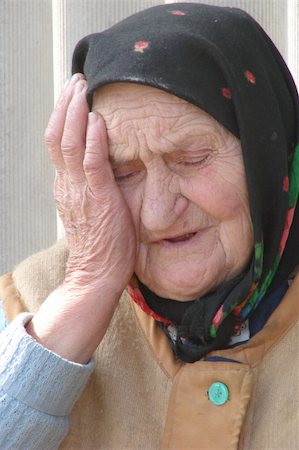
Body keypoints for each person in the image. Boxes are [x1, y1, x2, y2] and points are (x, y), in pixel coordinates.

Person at [0, 2, 298, 449]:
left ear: (266, 155)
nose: (158, 212)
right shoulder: (33, 300)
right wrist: (84, 294)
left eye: (191, 159)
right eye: (123, 173)